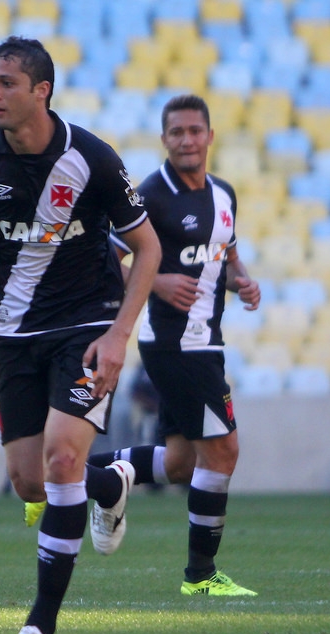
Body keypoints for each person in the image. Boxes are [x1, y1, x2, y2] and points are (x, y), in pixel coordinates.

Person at [0, 37, 161, 634]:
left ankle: (38, 629)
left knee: (62, 460)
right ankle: (113, 481)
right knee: (29, 481)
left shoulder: (91, 157)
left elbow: (146, 247)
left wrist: (119, 334)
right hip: (15, 335)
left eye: (7, 83)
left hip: (86, 328)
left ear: (41, 90)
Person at [90, 93, 262, 598]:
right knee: (225, 451)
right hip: (175, 344)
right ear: (164, 140)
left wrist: (242, 280)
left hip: (207, 341)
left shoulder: (225, 194)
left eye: (194, 131)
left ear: (210, 135)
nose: (187, 140)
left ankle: (79, 472)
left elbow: (223, 255)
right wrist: (158, 282)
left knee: (181, 462)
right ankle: (201, 576)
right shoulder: (151, 195)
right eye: (176, 133)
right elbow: (108, 256)